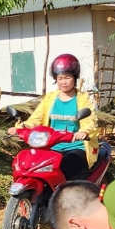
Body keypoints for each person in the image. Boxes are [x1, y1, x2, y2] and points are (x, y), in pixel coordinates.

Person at [13, 53, 98, 181]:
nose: (63, 82)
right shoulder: (50, 98)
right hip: (50, 146)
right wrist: (21, 127)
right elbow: (36, 119)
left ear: (75, 78)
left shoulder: (82, 98)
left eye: (67, 78)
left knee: (67, 167)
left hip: (75, 146)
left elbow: (90, 120)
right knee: (32, 166)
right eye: (60, 78)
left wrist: (83, 131)